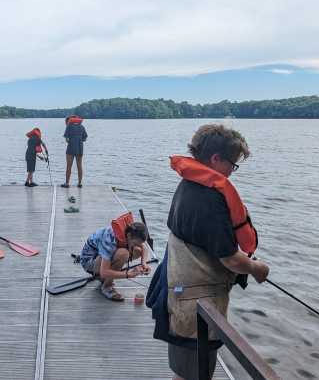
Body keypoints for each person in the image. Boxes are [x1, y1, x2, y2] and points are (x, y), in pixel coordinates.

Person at [159, 124, 270, 380]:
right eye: (233, 163)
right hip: (197, 302)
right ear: (216, 159)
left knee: (185, 370)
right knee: (195, 372)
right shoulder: (210, 198)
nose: (233, 170)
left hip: (179, 292)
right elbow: (230, 258)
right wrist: (256, 268)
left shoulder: (189, 185)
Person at [78, 213, 151, 301]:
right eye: (135, 243)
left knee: (138, 250)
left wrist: (144, 263)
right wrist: (128, 274)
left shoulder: (130, 231)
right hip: (89, 262)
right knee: (123, 254)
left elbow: (144, 248)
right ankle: (107, 287)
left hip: (101, 258)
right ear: (129, 236)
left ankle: (104, 277)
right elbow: (104, 272)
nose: (136, 245)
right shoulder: (110, 239)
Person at [62, 115, 87, 188]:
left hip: (71, 148)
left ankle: (67, 183)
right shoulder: (82, 127)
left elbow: (66, 139)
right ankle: (79, 183)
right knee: (79, 166)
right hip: (80, 148)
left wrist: (71, 140)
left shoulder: (69, 126)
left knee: (69, 166)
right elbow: (84, 139)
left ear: (69, 121)